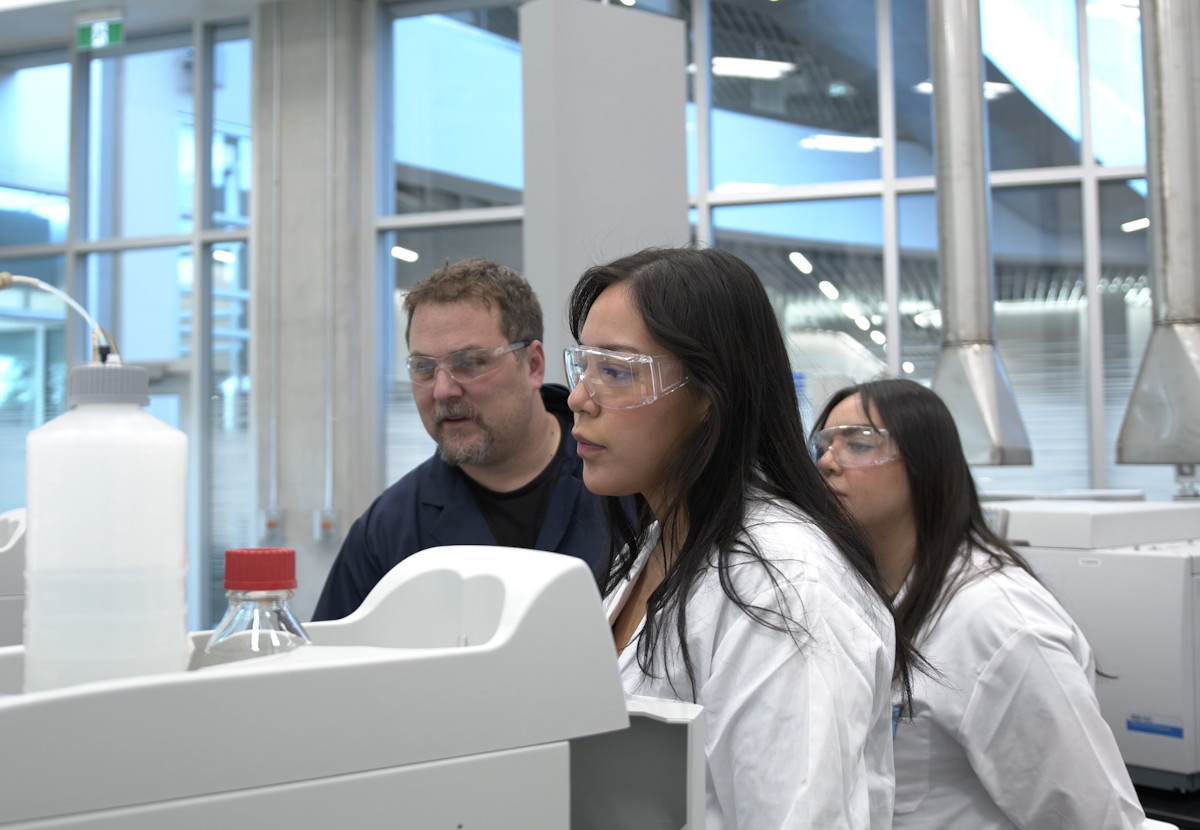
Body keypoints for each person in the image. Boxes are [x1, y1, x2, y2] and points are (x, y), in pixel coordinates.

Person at [565, 246, 913, 829]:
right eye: (585, 367)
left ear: (708, 393)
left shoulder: (784, 583)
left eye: (618, 372)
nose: (579, 399)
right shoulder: (657, 545)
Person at [812, 378, 1151, 830]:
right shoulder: (864, 595)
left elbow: (1096, 818)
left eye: (856, 443)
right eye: (822, 445)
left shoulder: (999, 621)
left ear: (924, 464)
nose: (827, 463)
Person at [313, 257, 610, 621]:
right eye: (423, 368)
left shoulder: (626, 489)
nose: (442, 390)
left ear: (533, 365)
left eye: (468, 363)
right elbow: (335, 670)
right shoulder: (388, 532)